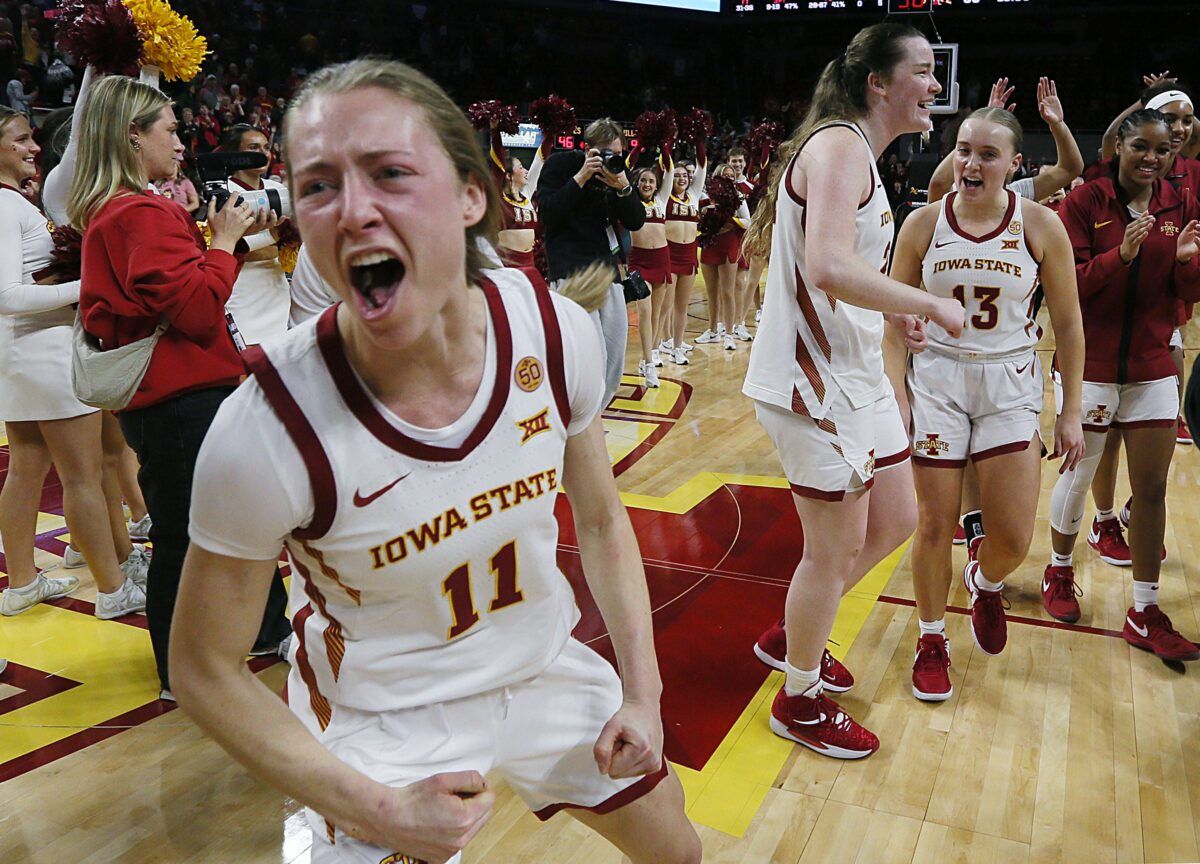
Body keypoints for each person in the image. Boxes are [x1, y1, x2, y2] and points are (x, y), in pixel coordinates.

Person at [170, 58, 701, 864]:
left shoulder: (554, 333)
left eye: (390, 173)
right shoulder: (266, 427)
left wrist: (644, 692)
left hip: (543, 666)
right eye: (317, 186)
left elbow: (598, 518)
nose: (352, 210)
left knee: (680, 852)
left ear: (470, 196)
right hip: (384, 722)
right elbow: (203, 668)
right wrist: (376, 809)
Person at [741, 22, 964, 758]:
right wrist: (922, 303)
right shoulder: (839, 146)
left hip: (855, 375)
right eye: (925, 71)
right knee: (830, 551)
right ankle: (798, 701)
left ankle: (791, 634)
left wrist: (896, 321)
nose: (936, 85)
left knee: (898, 516)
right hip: (812, 386)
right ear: (879, 83)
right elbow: (830, 265)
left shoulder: (860, 154)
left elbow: (841, 279)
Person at [67, 74, 287, 699]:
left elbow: (193, 291)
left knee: (215, 526)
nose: (181, 141)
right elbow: (195, 311)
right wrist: (219, 242)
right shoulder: (138, 211)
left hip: (175, 399)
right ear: (133, 136)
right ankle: (183, 672)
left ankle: (254, 634)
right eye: (168, 128)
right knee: (188, 536)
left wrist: (225, 244)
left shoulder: (118, 210)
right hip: (183, 400)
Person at [889, 108, 1084, 699]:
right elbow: (893, 321)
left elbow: (1070, 327)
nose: (971, 163)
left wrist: (1069, 410)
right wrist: (896, 394)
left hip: (1010, 383)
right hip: (939, 382)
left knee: (1014, 540)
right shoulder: (922, 224)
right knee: (931, 524)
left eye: (987, 154)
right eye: (963, 150)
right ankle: (930, 638)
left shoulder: (1041, 224)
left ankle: (984, 578)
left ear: (1014, 164)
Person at [1046, 110, 1200, 660]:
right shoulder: (1085, 201)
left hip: (1154, 363)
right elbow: (1070, 288)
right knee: (1080, 472)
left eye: (1162, 151)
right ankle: (1059, 571)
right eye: (1141, 147)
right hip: (1091, 364)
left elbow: (1188, 291)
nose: (1152, 159)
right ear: (1119, 146)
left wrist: (1186, 264)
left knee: (1153, 488)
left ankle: (1144, 609)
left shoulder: (1177, 202)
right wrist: (1122, 255)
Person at [0, 104, 149, 620]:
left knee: (25, 470)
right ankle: (113, 590)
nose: (32, 147)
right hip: (42, 350)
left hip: (21, 355)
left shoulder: (15, 203)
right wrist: (89, 285)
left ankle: (21, 583)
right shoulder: (7, 206)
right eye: (19, 139)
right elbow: (7, 294)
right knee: (83, 475)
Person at [538, 117, 646, 408]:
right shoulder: (560, 166)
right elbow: (547, 215)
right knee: (589, 353)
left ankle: (595, 414)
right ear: (588, 149)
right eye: (604, 153)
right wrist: (581, 178)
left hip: (607, 274)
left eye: (617, 153)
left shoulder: (617, 174)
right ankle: (579, 420)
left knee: (614, 355)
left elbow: (636, 221)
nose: (611, 159)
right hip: (572, 273)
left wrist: (623, 188)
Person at [221, 123, 293, 346]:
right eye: (253, 148)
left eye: (266, 147)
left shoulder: (278, 189)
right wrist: (278, 236)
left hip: (277, 289)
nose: (263, 153)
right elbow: (230, 248)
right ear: (235, 155)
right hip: (242, 293)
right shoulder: (223, 191)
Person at [695, 162, 750, 352]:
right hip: (710, 244)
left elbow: (748, 222)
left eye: (731, 176)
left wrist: (730, 219)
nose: (729, 178)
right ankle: (712, 330)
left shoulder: (739, 198)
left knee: (728, 291)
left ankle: (728, 333)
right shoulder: (705, 198)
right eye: (725, 175)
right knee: (711, 292)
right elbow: (698, 220)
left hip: (729, 244)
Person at [628, 165, 672, 387]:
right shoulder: (632, 203)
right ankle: (648, 364)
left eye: (651, 181)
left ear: (657, 185)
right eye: (643, 180)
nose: (647, 184)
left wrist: (664, 143)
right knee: (644, 311)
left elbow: (670, 169)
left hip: (661, 259)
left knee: (656, 314)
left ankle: (651, 353)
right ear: (637, 182)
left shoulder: (662, 201)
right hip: (639, 262)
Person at [664, 147, 707, 365]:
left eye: (685, 175)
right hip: (670, 254)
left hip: (689, 255)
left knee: (682, 306)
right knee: (666, 305)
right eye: (677, 175)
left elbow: (702, 164)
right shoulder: (664, 197)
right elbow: (667, 166)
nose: (681, 178)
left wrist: (699, 139)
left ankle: (677, 347)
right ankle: (661, 343)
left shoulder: (694, 195)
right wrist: (666, 143)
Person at [487, 121, 548, 269]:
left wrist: (550, 132)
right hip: (506, 264)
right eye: (520, 167)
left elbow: (539, 161)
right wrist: (496, 132)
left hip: (530, 263)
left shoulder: (526, 193)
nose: (526, 170)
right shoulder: (499, 197)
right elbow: (497, 166)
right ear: (509, 176)